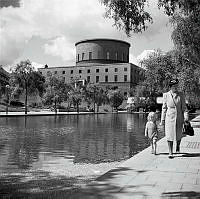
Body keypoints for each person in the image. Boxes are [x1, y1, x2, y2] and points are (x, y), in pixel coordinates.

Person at [160, 79, 188, 158]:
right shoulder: (166, 95)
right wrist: (162, 120)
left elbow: (184, 108)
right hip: (169, 118)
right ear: (170, 87)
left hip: (179, 118)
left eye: (176, 85)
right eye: (174, 86)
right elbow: (164, 108)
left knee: (179, 135)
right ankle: (170, 152)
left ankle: (178, 145)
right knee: (169, 135)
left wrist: (186, 118)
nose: (175, 87)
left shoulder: (181, 95)